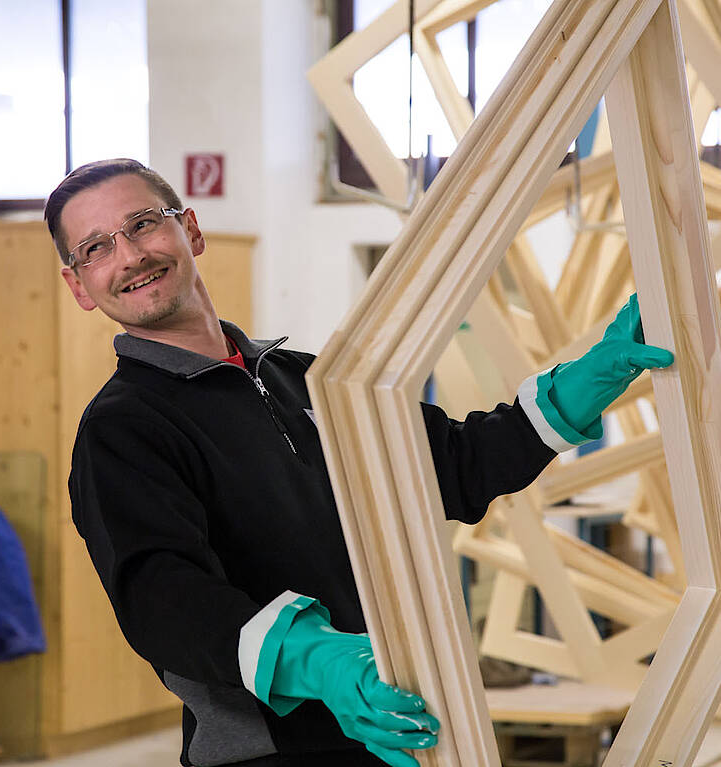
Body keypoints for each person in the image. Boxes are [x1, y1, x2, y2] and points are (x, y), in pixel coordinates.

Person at [45, 159, 673, 767]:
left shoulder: (310, 380)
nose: (129, 256)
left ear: (191, 230)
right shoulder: (122, 429)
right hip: (271, 754)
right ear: (79, 286)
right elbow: (164, 598)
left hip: (405, 723)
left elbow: (458, 465)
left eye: (144, 224)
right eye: (95, 248)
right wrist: (324, 664)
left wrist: (591, 376)